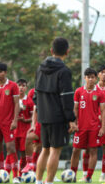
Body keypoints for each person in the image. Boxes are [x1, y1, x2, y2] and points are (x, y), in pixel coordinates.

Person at [34, 37, 77, 184]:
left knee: (45, 149)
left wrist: (42, 108)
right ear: (67, 51)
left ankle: (38, 181)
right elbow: (66, 97)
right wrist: (71, 118)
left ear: (51, 51)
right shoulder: (64, 71)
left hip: (43, 116)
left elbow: (35, 95)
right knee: (55, 150)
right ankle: (49, 182)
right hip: (58, 118)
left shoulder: (40, 68)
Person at [70, 68, 105, 183]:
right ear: (85, 78)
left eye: (92, 77)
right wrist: (73, 123)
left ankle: (89, 177)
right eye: (88, 77)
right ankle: (73, 175)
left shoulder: (100, 93)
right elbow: (75, 109)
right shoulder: (78, 91)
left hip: (94, 127)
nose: (90, 79)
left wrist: (103, 126)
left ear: (96, 79)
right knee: (75, 151)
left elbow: (103, 111)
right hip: (80, 127)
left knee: (93, 151)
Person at [0, 62, 21, 183]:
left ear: (5, 72)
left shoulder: (12, 86)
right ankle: (0, 174)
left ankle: (16, 176)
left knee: (11, 148)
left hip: (8, 122)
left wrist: (15, 120)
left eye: (0, 72)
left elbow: (17, 104)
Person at [15, 79, 34, 177]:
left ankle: (20, 175)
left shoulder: (29, 101)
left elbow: (33, 117)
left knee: (23, 155)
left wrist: (25, 120)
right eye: (19, 85)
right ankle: (9, 174)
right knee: (12, 153)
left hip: (24, 132)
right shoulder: (13, 99)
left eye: (23, 85)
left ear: (26, 88)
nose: (21, 87)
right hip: (13, 131)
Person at [21, 88, 42, 173]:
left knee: (41, 148)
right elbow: (34, 108)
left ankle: (48, 173)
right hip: (38, 124)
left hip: (49, 123)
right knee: (29, 138)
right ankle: (30, 163)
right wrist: (33, 124)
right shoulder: (34, 92)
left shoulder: (53, 89)